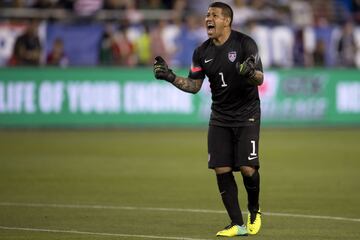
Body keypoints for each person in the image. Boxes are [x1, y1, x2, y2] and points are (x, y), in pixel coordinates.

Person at [153, 2, 263, 237]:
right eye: (206, 15)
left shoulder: (245, 43)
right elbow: (194, 86)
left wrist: (250, 73)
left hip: (247, 115)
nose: (207, 19)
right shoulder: (202, 52)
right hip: (220, 117)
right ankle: (237, 224)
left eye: (213, 15)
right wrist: (170, 76)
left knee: (247, 168)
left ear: (227, 21)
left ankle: (254, 210)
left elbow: (260, 78)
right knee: (221, 168)